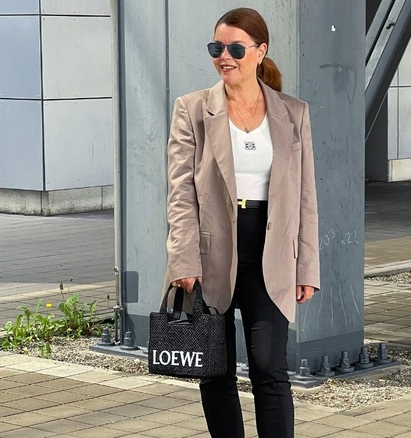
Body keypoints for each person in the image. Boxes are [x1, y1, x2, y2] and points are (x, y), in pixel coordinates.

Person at [164, 7, 320, 438]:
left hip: (272, 254)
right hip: (209, 255)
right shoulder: (192, 109)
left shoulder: (294, 113)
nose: (224, 57)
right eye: (217, 48)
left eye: (235, 49)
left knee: (270, 369)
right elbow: (180, 193)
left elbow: (306, 197)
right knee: (215, 371)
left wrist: (307, 267)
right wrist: (183, 260)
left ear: (260, 51)